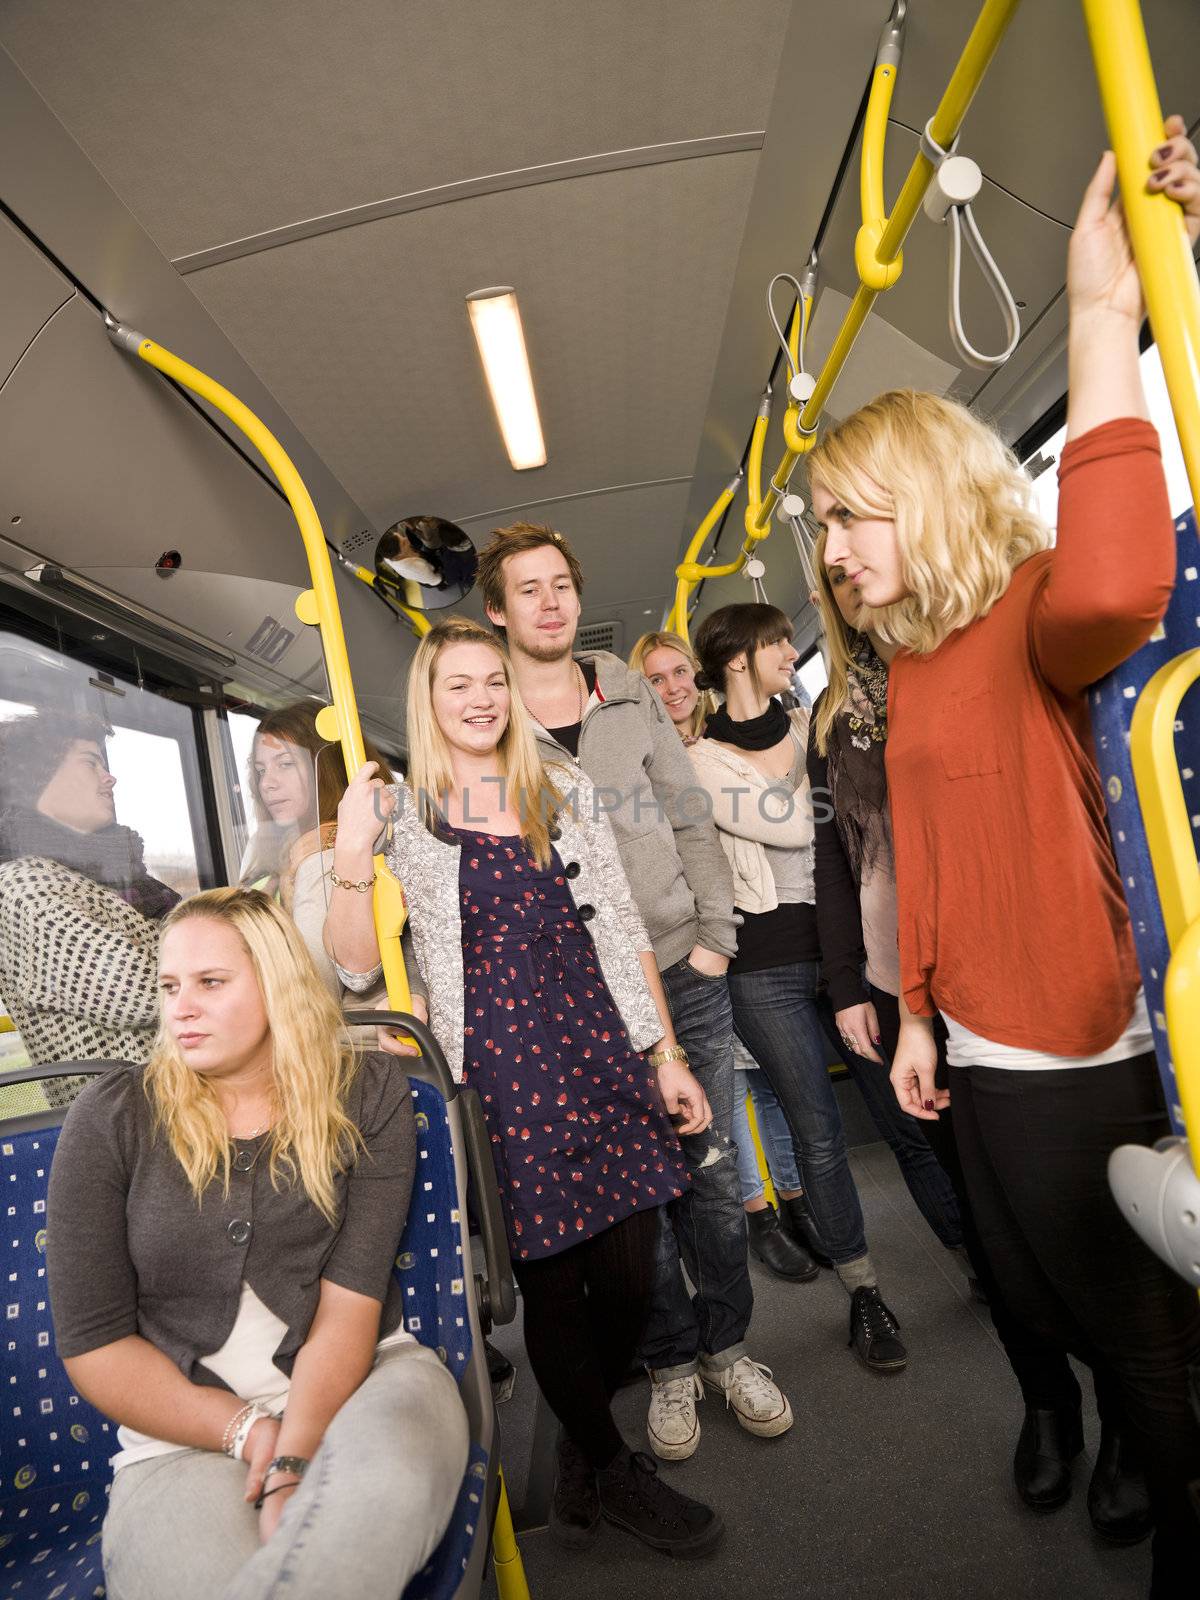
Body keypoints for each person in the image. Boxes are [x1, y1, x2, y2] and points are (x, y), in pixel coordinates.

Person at [810, 119, 1200, 1590]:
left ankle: (1172, 1514)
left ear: (924, 487)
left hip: (1068, 1040)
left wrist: (1103, 318)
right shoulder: (908, 662)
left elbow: (1117, 575)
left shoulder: (1037, 607)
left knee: (1128, 1316)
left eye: (849, 517)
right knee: (1022, 1283)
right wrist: (914, 1012)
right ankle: (1064, 1419)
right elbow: (929, 854)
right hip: (966, 1037)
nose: (834, 554)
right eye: (824, 528)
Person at [326, 617, 725, 1557]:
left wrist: (663, 1052)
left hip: (599, 1044)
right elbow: (352, 973)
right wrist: (349, 856)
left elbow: (621, 928)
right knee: (554, 1284)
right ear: (428, 701)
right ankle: (616, 1467)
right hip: (502, 1074)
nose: (480, 698)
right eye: (457, 683)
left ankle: (585, 1445)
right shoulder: (406, 815)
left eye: (492, 682)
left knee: (633, 1266)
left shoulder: (562, 786)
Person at [807, 536, 1149, 1532]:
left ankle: (1129, 1414)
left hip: (1024, 965)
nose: (847, 575)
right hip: (910, 994)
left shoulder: (994, 640)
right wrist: (847, 983)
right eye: (830, 571)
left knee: (1081, 1215)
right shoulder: (840, 711)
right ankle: (1046, 1399)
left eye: (857, 548)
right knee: (994, 1227)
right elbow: (840, 858)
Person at [45, 887, 468, 1600]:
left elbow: (350, 1301)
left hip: (371, 1382)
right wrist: (247, 1432)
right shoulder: (111, 1120)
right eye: (170, 986)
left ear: (277, 983)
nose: (180, 1008)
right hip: (179, 1436)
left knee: (371, 1507)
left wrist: (295, 1450)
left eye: (210, 983)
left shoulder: (365, 1093)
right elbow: (94, 1344)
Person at [476, 525, 794, 1465]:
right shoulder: (487, 717)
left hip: (682, 963)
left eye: (561, 585)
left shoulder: (622, 688)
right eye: (527, 590)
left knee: (714, 1173)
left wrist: (715, 940)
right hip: (586, 996)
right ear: (496, 611)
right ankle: (668, 1364)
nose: (549, 602)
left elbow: (689, 815)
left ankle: (730, 1346)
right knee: (637, 1198)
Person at [689, 603, 906, 1372]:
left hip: (848, 947)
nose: (790, 650)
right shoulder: (701, 760)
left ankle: (974, 1251)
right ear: (736, 659)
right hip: (766, 968)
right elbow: (791, 825)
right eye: (776, 641)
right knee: (819, 1132)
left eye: (791, 638)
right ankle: (865, 1292)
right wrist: (820, 777)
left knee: (906, 1110)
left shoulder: (818, 722)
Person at [630, 629, 818, 1281]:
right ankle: (757, 1211)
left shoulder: (725, 743)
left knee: (771, 1082)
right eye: (656, 679)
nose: (674, 688)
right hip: (698, 943)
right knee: (729, 1089)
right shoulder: (641, 765)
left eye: (681, 673)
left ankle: (797, 1200)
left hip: (754, 926)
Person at [0, 712, 178, 1104]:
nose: (109, 777)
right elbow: (141, 990)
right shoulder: (21, 887)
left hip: (180, 1097)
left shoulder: (116, 875)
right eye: (89, 762)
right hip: (129, 1116)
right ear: (36, 779)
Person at [239, 704, 394, 1013]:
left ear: (325, 768)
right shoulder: (279, 854)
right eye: (261, 771)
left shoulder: (321, 856)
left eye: (284, 764)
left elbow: (313, 993)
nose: (267, 783)